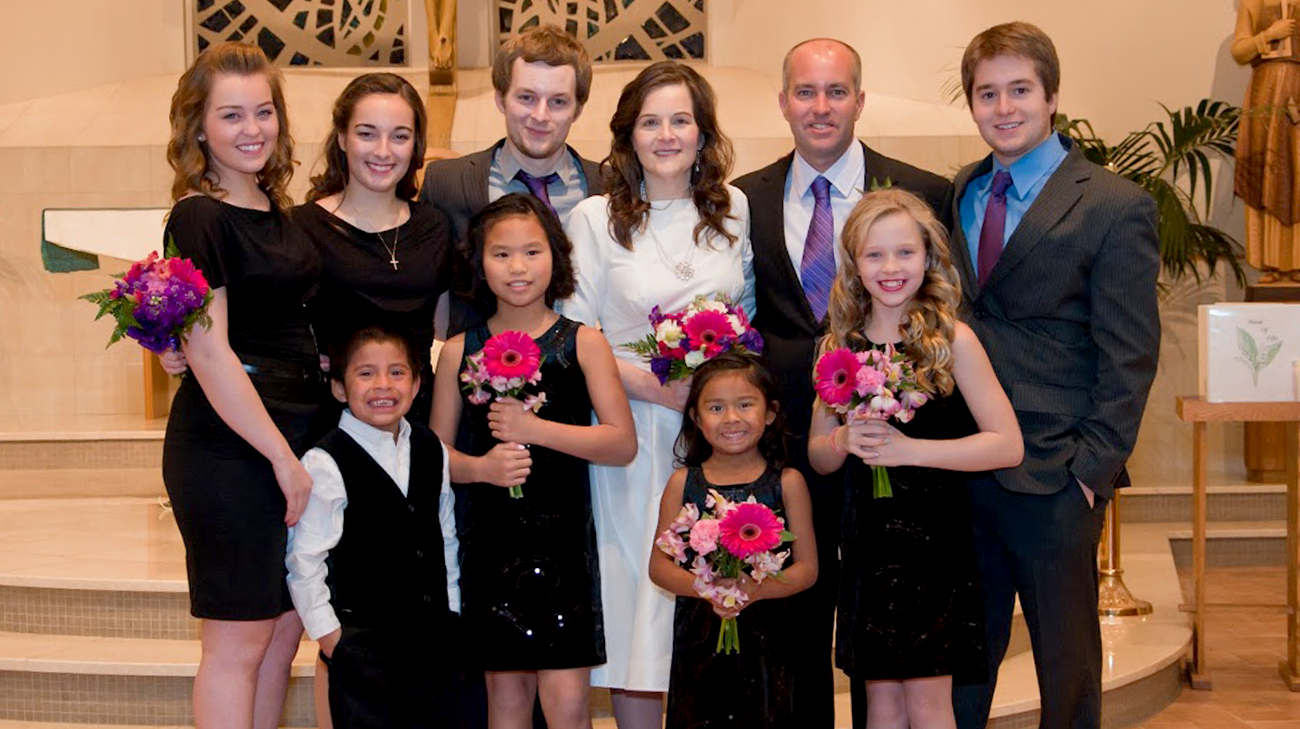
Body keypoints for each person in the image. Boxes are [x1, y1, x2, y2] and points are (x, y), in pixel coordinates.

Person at [731, 38, 952, 728]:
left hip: (894, 456)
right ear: (783, 102)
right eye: (805, 92)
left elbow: (944, 320)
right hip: (792, 447)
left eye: (835, 92)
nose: (820, 107)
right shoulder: (745, 200)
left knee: (881, 636)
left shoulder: (924, 191)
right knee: (797, 628)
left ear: (860, 98)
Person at [948, 23, 1160, 729]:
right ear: (971, 103)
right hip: (967, 463)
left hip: (1055, 473)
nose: (1003, 108)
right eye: (987, 93)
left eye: (1019, 90)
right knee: (967, 661)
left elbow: (1129, 354)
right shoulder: (963, 192)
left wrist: (1090, 470)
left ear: (1051, 96)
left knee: (1065, 671)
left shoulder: (1112, 204)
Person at [559, 61, 755, 729]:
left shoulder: (733, 208)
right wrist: (666, 392)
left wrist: (713, 401)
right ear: (628, 135)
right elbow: (576, 334)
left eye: (680, 120)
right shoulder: (593, 218)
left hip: (718, 437)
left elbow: (747, 316)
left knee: (712, 591)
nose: (666, 134)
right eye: (651, 121)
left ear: (702, 134)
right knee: (637, 610)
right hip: (631, 432)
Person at [806, 189, 1022, 729]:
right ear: (855, 264)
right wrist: (842, 442)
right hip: (866, 544)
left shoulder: (953, 340)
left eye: (904, 252)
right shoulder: (839, 345)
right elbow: (819, 456)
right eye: (874, 255)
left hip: (934, 544)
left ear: (928, 256)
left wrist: (909, 451)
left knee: (928, 703)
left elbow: (1006, 444)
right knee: (880, 702)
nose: (890, 267)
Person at [432, 193, 637, 729]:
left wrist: (536, 430)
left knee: (568, 705)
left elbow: (621, 443)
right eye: (501, 254)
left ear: (557, 257)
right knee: (506, 702)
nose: (518, 268)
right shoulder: (459, 349)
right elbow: (433, 457)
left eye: (532, 251)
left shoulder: (584, 343)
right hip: (491, 544)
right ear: (478, 262)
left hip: (565, 544)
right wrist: (481, 468)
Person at [160, 42, 319, 728]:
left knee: (283, 633)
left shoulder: (275, 207)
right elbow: (210, 352)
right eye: (231, 115)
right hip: (232, 447)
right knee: (239, 638)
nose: (252, 128)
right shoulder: (200, 215)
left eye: (264, 112)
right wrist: (282, 459)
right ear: (199, 128)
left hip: (295, 431)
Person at [286, 325, 473, 728]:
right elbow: (305, 560)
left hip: (434, 641)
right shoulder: (325, 461)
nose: (383, 385)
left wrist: (452, 610)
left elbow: (444, 534)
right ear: (339, 388)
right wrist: (331, 638)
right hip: (363, 649)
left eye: (397, 372)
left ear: (418, 382)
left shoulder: (431, 448)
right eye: (366, 373)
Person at [649, 351, 819, 727]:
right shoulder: (683, 483)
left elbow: (807, 569)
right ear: (695, 417)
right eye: (715, 407)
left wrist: (754, 588)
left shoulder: (787, 483)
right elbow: (659, 566)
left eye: (745, 404)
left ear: (770, 412)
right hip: (699, 638)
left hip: (769, 640)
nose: (731, 419)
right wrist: (708, 587)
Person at [421, 24, 603, 337]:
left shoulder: (609, 186)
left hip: (585, 376)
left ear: (578, 109)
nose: (540, 115)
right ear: (500, 98)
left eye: (558, 101)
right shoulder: (445, 184)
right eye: (527, 98)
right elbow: (425, 299)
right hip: (479, 375)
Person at [300, 72, 453, 426]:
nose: (383, 151)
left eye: (399, 136)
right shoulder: (302, 228)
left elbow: (445, 328)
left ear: (415, 145)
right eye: (367, 134)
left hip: (416, 421)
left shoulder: (434, 227)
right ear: (342, 137)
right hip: (332, 424)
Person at [1232, 0, 1300, 282]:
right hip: (1265, 92)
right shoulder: (1254, 2)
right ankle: (1270, 262)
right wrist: (1269, 34)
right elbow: (1239, 51)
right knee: (1268, 169)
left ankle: (1296, 260)